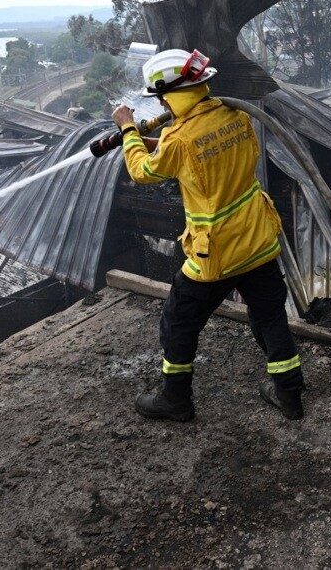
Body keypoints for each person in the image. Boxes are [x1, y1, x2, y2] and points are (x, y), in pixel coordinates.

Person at [112, 48, 305, 422]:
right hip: (258, 237)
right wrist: (156, 141)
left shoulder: (180, 138)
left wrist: (127, 129)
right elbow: (195, 154)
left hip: (216, 252)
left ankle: (175, 399)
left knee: (179, 319)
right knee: (269, 316)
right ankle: (290, 396)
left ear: (169, 94)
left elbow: (143, 172)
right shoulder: (234, 114)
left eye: (162, 96)